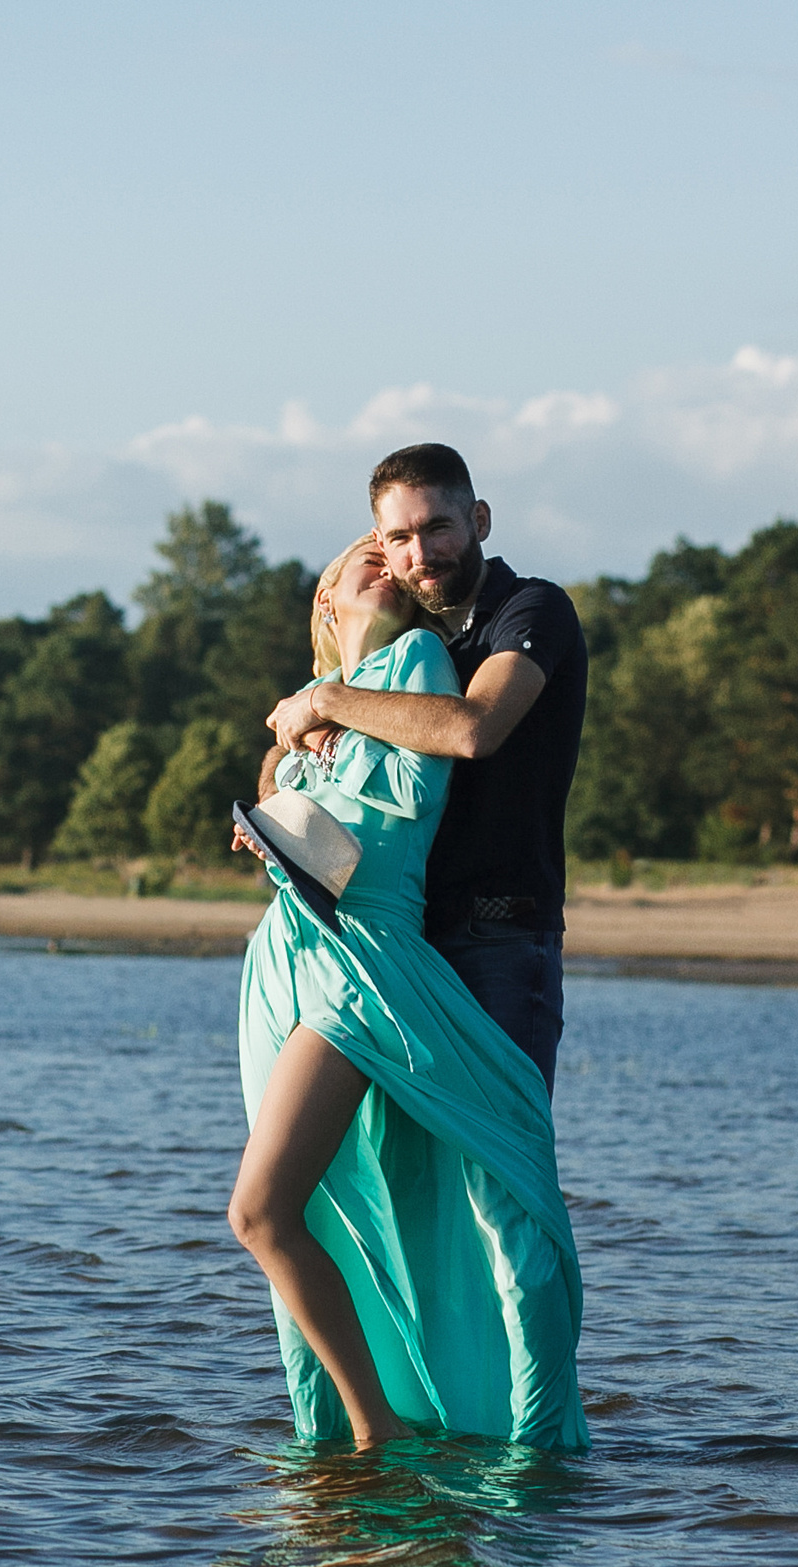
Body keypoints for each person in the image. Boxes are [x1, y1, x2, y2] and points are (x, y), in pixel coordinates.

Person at [227, 531, 586, 1451]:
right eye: (367, 560)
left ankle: (372, 1426)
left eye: (398, 559)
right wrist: (280, 765)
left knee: (261, 1208)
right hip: (290, 960)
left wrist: (312, 726)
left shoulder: (416, 660)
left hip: (362, 955)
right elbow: (289, 785)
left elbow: (388, 813)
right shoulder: (325, 708)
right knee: (331, 1203)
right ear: (325, 602)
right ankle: (370, 1419)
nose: (389, 567)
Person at [264, 444, 586, 1093]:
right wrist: (273, 788)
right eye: (399, 538)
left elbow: (473, 728)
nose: (420, 552)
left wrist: (330, 703)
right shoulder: (397, 652)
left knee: (500, 1163)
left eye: (438, 526)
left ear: (480, 521)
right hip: (401, 940)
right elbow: (283, 748)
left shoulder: (527, 610)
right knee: (414, 1180)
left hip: (498, 935)